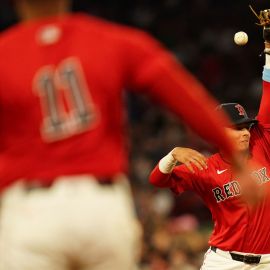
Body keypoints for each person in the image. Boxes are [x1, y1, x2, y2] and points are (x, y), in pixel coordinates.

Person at [0, 0, 239, 269]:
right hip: (102, 207)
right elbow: (187, 99)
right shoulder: (111, 39)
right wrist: (236, 157)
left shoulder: (4, 52)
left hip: (31, 211)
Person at [149, 18, 270, 270]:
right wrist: (172, 156)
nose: (245, 133)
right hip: (224, 262)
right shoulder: (203, 166)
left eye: (245, 127)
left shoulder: (262, 142)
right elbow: (156, 180)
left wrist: (269, 51)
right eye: (236, 129)